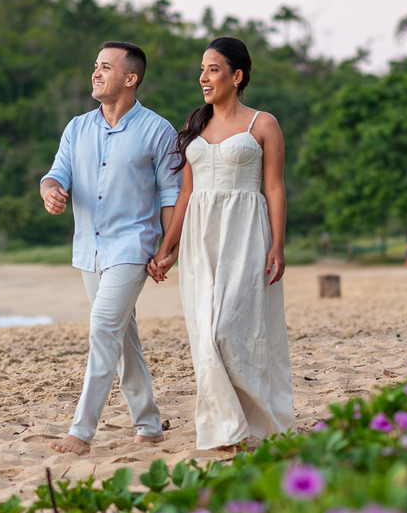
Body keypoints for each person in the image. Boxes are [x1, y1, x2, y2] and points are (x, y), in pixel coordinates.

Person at [148, 37, 295, 450]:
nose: (203, 77)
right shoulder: (197, 125)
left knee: (230, 328)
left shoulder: (262, 124)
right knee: (204, 330)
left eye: (212, 69)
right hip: (199, 238)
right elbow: (185, 194)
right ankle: (227, 428)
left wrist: (278, 245)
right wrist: (167, 248)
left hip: (245, 233)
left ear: (237, 75)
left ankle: (255, 420)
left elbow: (274, 188)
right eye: (202, 69)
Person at [40, 41, 181, 455]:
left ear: (130, 78)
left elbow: (171, 195)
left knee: (103, 327)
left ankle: (81, 432)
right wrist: (50, 191)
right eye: (96, 66)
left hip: (133, 246)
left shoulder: (158, 130)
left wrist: (169, 247)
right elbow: (56, 173)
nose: (96, 73)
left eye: (106, 67)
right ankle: (149, 425)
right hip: (89, 247)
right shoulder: (77, 128)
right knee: (122, 335)